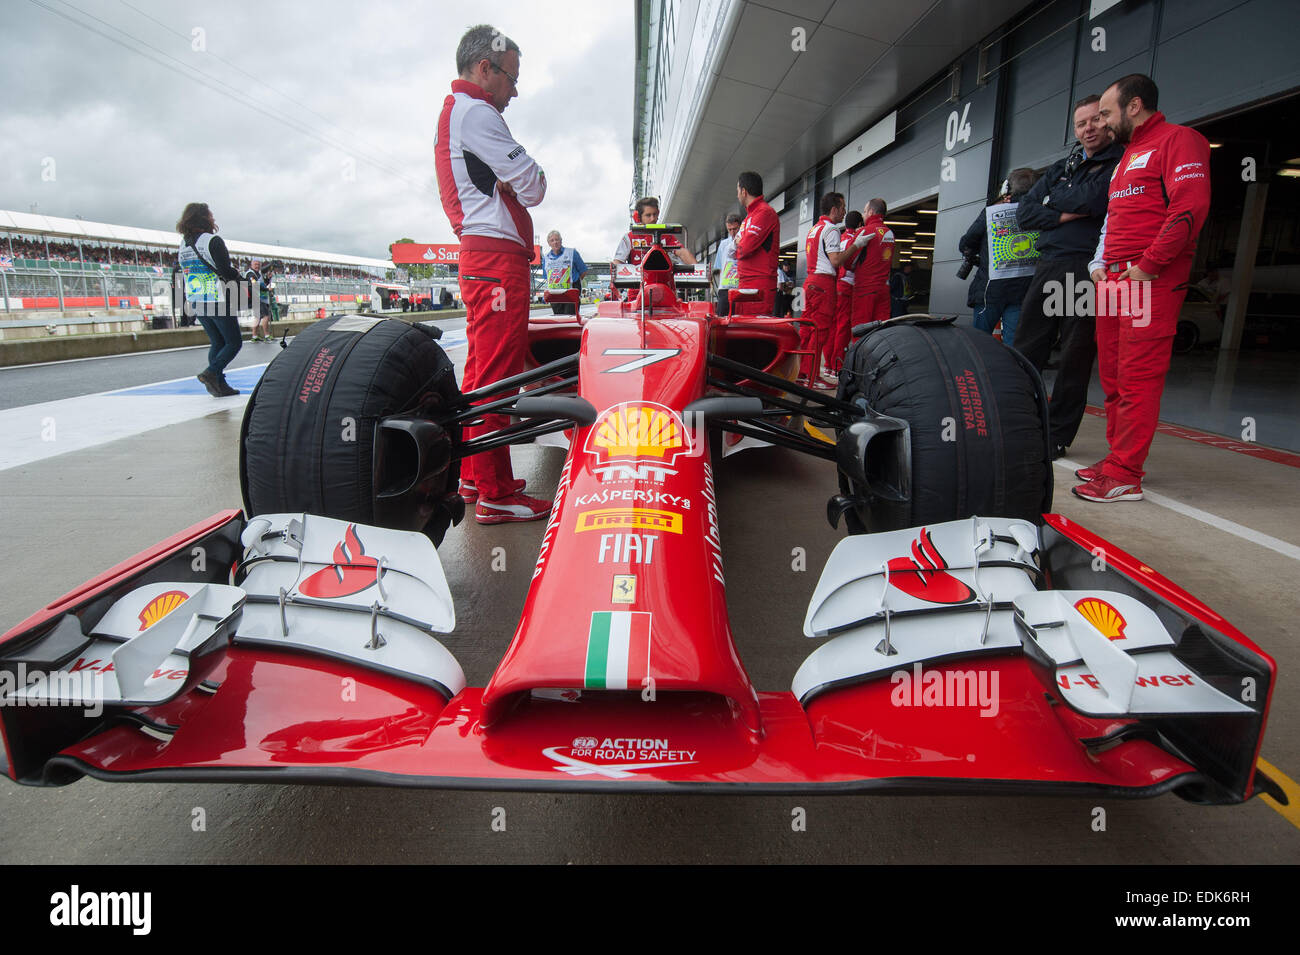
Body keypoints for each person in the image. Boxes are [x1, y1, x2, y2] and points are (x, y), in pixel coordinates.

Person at [1075, 73, 1211, 503]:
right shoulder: (1127, 155)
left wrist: (1148, 267)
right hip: (1113, 280)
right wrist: (1099, 265)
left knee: (1138, 379)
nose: (1102, 124)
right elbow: (1115, 220)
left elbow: (1191, 207)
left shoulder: (1180, 140)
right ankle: (1118, 457)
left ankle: (1126, 474)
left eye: (1107, 114)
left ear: (1134, 106)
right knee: (1114, 378)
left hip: (1148, 280)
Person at [434, 24, 551, 523]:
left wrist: (510, 183)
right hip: (496, 261)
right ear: (486, 69)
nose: (516, 90)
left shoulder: (458, 114)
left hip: (483, 259)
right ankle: (497, 493)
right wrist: (518, 180)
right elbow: (537, 185)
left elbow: (517, 186)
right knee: (500, 377)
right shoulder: (478, 113)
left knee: (482, 372)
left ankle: (473, 476)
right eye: (512, 77)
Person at [1012, 95, 1124, 459]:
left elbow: (1094, 201)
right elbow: (1024, 213)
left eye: (1095, 120)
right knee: (1027, 348)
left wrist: (1054, 203)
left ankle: (1056, 435)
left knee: (1074, 355)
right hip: (1048, 265)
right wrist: (1061, 215)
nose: (1088, 128)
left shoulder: (1119, 163)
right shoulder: (1064, 166)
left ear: (1108, 122)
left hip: (1083, 268)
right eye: (1081, 124)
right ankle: (1018, 419)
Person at [174, 202, 246, 397]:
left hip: (196, 297)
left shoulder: (184, 244)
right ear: (203, 218)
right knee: (233, 343)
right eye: (210, 215)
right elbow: (225, 270)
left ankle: (219, 385)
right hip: (216, 297)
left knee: (217, 342)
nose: (213, 218)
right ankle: (211, 373)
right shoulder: (212, 241)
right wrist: (240, 277)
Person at [802, 192, 857, 386]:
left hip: (810, 282)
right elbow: (835, 259)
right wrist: (855, 246)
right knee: (820, 331)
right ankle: (812, 376)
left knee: (807, 329)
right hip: (823, 283)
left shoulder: (814, 228)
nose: (844, 212)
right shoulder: (832, 229)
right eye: (842, 208)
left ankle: (802, 373)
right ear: (834, 209)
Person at [729, 170, 779, 315]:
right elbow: (733, 250)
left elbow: (743, 248)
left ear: (744, 191)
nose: (737, 194)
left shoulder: (765, 212)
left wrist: (739, 244)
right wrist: (739, 245)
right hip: (746, 282)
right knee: (743, 330)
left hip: (759, 284)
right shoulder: (749, 217)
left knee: (755, 331)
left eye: (738, 190)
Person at [848, 198, 894, 327]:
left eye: (864, 211)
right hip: (884, 289)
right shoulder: (890, 233)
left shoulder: (865, 231)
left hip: (865, 289)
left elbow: (848, 261)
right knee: (880, 330)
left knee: (860, 329)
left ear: (871, 212)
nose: (863, 215)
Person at [612, 196, 696, 266]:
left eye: (655, 214)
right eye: (648, 215)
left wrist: (699, 270)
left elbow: (682, 252)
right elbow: (618, 262)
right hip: (637, 284)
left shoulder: (666, 236)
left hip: (664, 282)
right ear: (638, 217)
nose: (652, 219)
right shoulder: (629, 237)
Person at [829, 209, 863, 372]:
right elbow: (852, 264)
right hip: (847, 286)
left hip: (836, 286)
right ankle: (837, 365)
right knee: (843, 327)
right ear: (859, 225)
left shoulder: (840, 238)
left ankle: (829, 364)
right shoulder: (854, 240)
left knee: (834, 326)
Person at [540, 230, 587, 315]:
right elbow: (546, 277)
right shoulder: (545, 258)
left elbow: (583, 271)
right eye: (552, 240)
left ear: (561, 240)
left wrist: (575, 283)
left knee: (570, 319)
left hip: (570, 293)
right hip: (554, 294)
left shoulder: (572, 253)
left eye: (557, 239)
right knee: (558, 320)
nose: (555, 242)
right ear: (549, 243)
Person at [712, 213, 742, 315]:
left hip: (740, 288)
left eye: (735, 229)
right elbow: (719, 268)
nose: (732, 232)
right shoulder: (723, 244)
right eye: (729, 230)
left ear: (740, 227)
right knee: (722, 319)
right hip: (725, 288)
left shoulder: (745, 242)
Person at [245, 259, 273, 341]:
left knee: (257, 317)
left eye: (258, 264)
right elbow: (254, 283)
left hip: (259, 298)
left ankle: (254, 336)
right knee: (265, 316)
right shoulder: (250, 274)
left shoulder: (258, 274)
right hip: (256, 298)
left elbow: (263, 283)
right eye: (255, 264)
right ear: (251, 265)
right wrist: (267, 289)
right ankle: (267, 335)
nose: (257, 266)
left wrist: (268, 279)